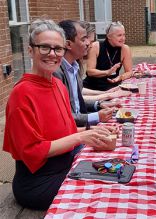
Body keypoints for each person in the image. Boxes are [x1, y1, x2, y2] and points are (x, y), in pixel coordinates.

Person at [3, 19, 114, 210]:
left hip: (66, 164)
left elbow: (66, 131)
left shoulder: (58, 86)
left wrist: (96, 132)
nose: (52, 54)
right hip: (38, 182)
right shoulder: (21, 94)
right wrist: (82, 135)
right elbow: (32, 150)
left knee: (115, 171)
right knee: (101, 193)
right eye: (44, 48)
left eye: (58, 49)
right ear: (31, 50)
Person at [53, 20, 115, 128]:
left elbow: (76, 101)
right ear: (68, 44)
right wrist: (96, 117)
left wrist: (98, 105)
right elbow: (62, 116)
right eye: (83, 39)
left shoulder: (73, 66)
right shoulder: (56, 73)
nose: (88, 43)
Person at [84, 21, 133, 91]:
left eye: (124, 35)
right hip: (92, 87)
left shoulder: (125, 49)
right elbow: (90, 71)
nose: (123, 38)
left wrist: (120, 77)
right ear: (109, 36)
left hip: (112, 87)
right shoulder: (96, 46)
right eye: (119, 35)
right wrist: (107, 72)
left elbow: (129, 72)